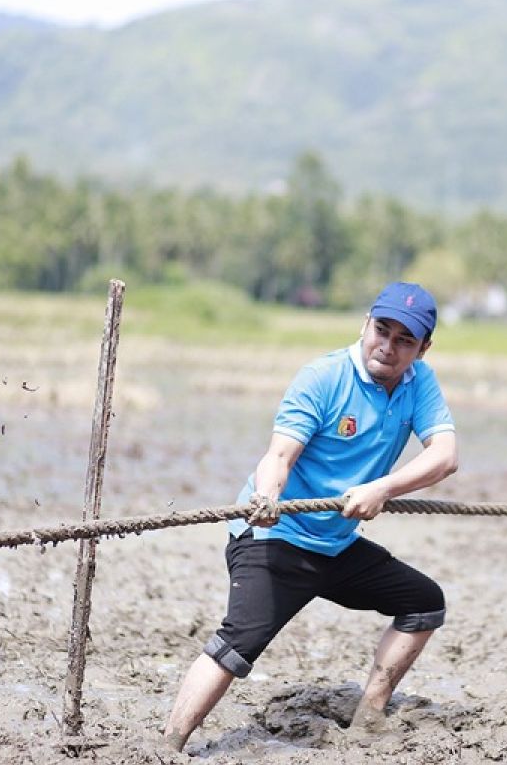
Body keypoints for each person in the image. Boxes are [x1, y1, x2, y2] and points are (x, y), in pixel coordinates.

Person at [163, 281, 458, 753]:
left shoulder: (418, 382)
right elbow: (279, 455)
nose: (389, 346)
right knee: (238, 645)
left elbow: (444, 456)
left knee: (424, 603)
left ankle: (368, 717)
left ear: (423, 348)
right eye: (382, 330)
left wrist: (383, 487)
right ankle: (167, 745)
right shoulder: (323, 377)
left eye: (406, 339)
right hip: (276, 536)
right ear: (365, 325)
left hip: (335, 545)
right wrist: (266, 497)